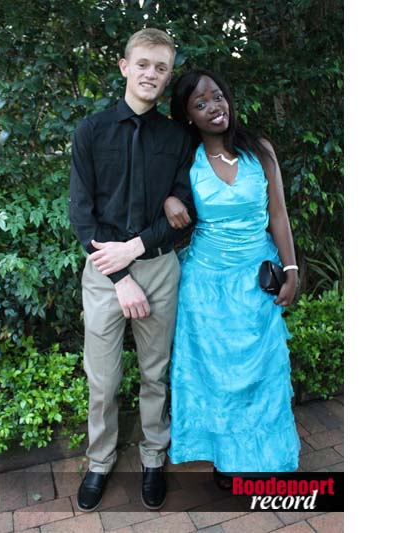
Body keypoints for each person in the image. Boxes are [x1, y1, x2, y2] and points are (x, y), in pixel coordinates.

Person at [68, 28, 195, 511]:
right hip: (104, 273)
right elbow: (81, 215)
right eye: (143, 64)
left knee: (155, 374)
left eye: (161, 68)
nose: (151, 74)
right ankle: (100, 461)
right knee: (102, 379)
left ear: (168, 77)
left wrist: (138, 248)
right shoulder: (91, 131)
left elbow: (184, 211)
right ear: (124, 66)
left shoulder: (178, 137)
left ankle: (153, 457)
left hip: (159, 268)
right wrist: (120, 276)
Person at [162, 69, 301, 477]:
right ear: (188, 115)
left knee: (263, 376)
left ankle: (265, 459)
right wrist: (170, 198)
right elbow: (162, 199)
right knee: (214, 379)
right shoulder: (185, 159)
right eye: (200, 103)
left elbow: (278, 213)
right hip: (204, 287)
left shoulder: (260, 151)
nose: (213, 107)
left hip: (256, 281)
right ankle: (225, 460)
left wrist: (291, 268)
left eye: (218, 96)